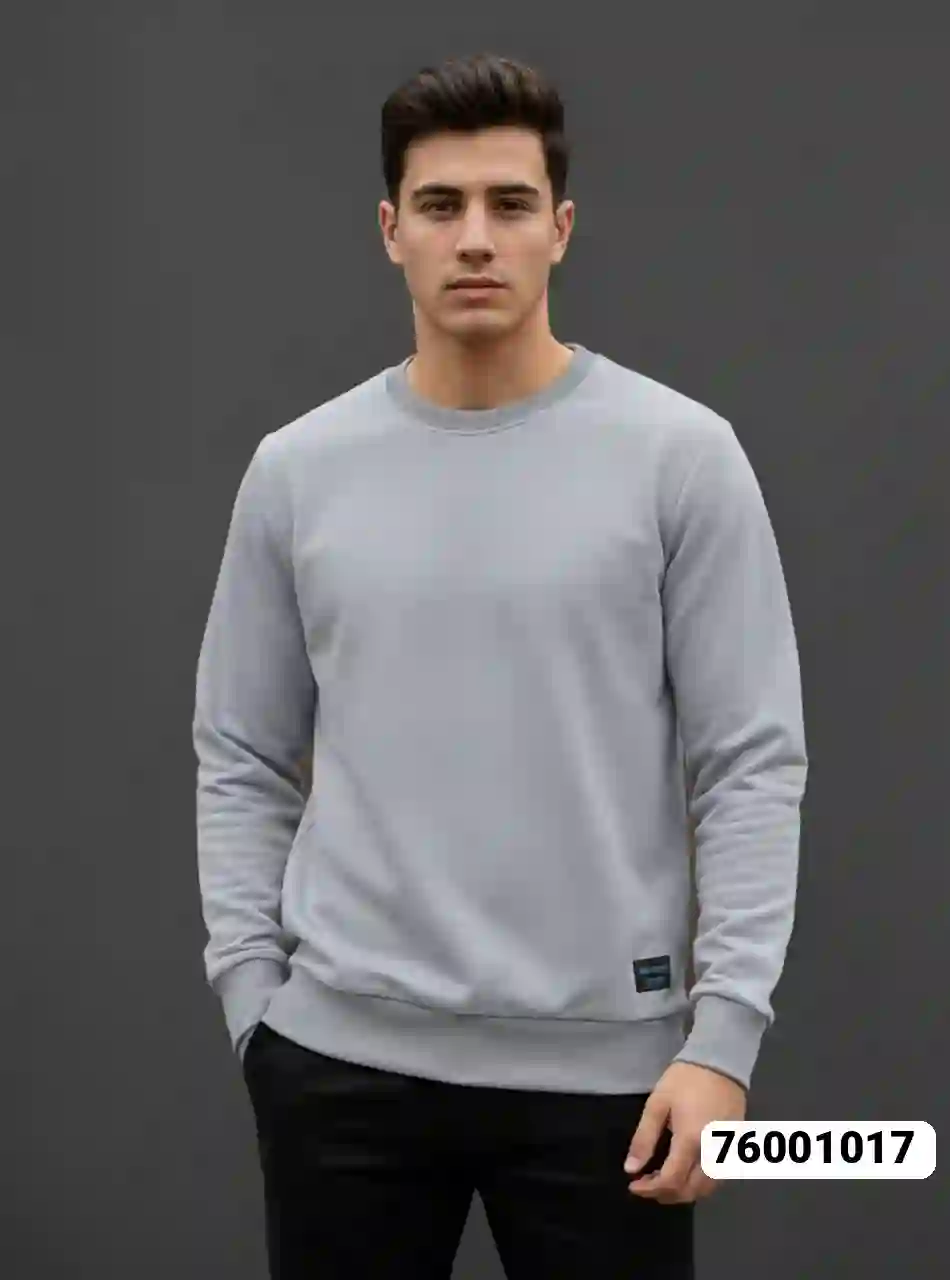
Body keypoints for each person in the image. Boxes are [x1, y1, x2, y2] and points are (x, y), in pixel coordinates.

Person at [192, 50, 808, 1279]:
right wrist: (255, 1003)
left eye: (509, 203)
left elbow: (749, 761)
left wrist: (722, 1040)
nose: (475, 236)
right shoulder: (298, 471)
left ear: (560, 228)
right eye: (441, 204)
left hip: (615, 1085)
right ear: (391, 230)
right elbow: (241, 753)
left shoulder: (681, 458)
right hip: (340, 1073)